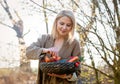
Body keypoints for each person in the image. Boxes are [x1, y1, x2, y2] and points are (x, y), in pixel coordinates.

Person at [26, 10, 82, 84]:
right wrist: (44, 50)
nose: (64, 27)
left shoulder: (74, 43)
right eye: (61, 23)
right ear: (56, 22)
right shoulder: (44, 39)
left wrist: (66, 76)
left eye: (68, 25)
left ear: (72, 27)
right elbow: (28, 52)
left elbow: (78, 71)